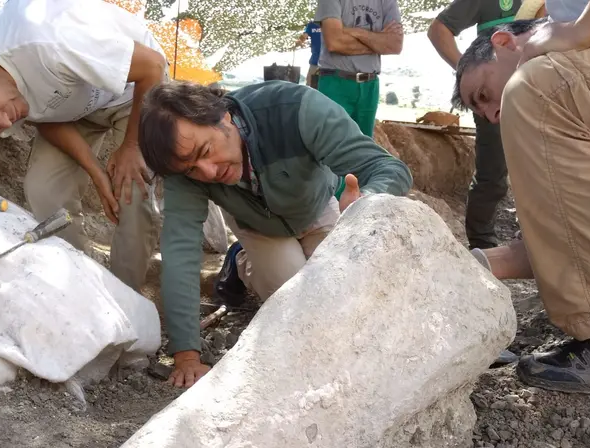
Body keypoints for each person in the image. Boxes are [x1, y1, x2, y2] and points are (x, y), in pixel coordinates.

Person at [138, 80, 412, 389]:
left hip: (315, 205)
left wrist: (368, 199)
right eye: (191, 170)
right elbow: (180, 252)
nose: (208, 173)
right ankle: (244, 264)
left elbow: (388, 167)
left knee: (341, 289)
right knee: (297, 298)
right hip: (257, 224)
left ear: (223, 116)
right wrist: (187, 354)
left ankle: (242, 258)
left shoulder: (296, 109)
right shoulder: (182, 165)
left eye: (206, 151)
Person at [0, 0, 168, 292]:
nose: (2, 121)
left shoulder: (48, 38)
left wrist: (131, 146)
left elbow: (152, 66)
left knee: (133, 188)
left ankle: (125, 296)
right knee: (44, 190)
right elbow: (42, 112)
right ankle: (83, 290)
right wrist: (96, 172)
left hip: (137, 91)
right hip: (75, 105)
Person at [453, 0, 590, 393]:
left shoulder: (563, 63)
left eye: (484, 94)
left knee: (534, 90)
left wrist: (582, 29)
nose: (492, 115)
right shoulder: (586, 110)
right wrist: (475, 264)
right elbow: (577, 232)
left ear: (504, 42)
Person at [428, 0, 523, 251]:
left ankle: (541, 249)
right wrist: (470, 74)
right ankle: (482, 248)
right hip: (495, 100)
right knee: (493, 175)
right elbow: (439, 30)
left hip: (549, 96)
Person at [314, 0, 403, 143]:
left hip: (370, 85)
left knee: (363, 148)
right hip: (336, 83)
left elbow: (395, 45)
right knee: (329, 146)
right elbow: (335, 42)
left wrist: (355, 32)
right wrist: (378, 42)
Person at [296, 21, 323, 89]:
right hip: (315, 60)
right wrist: (300, 41)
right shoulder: (311, 25)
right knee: (309, 85)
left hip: (329, 61)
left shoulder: (331, 22)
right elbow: (305, 35)